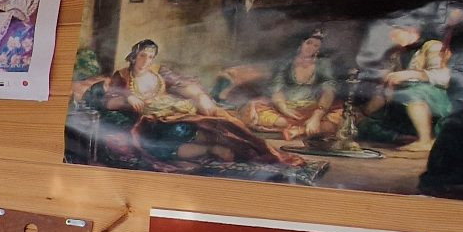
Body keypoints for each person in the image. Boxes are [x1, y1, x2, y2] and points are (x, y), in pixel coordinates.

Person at [101, 39, 310, 170]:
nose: (146, 61)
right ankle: (213, 149)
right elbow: (109, 102)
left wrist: (200, 96)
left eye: (150, 57)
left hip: (175, 111)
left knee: (219, 123)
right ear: (134, 56)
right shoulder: (123, 76)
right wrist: (128, 98)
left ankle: (236, 148)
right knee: (179, 132)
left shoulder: (159, 71)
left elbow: (184, 85)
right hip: (151, 121)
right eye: (142, 56)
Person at [362, 23, 452, 152]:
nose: (392, 37)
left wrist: (413, 74)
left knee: (411, 93)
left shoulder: (433, 46)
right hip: (406, 104)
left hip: (439, 102)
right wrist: (365, 112)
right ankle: (400, 137)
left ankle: (425, 140)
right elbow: (385, 89)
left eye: (395, 32)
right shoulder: (397, 54)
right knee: (366, 122)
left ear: (412, 31)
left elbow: (445, 77)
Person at [238, 31, 342, 140]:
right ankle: (299, 128)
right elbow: (276, 88)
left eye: (316, 46)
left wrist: (316, 116)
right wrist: (284, 108)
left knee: (338, 117)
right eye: (308, 43)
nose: (311, 47)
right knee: (254, 111)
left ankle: (300, 130)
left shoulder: (323, 64)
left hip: (313, 109)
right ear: (301, 43)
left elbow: (329, 89)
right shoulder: (287, 62)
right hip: (286, 109)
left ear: (318, 49)